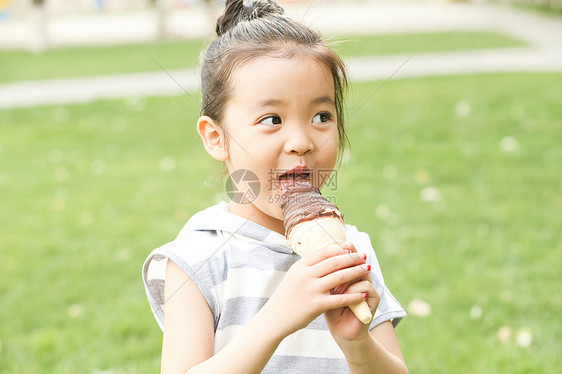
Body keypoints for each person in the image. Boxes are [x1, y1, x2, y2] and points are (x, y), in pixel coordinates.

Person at [142, 0, 408, 372]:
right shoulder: (199, 256)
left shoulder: (350, 249)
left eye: (321, 116)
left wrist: (357, 342)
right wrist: (277, 318)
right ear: (217, 137)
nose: (301, 141)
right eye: (272, 119)